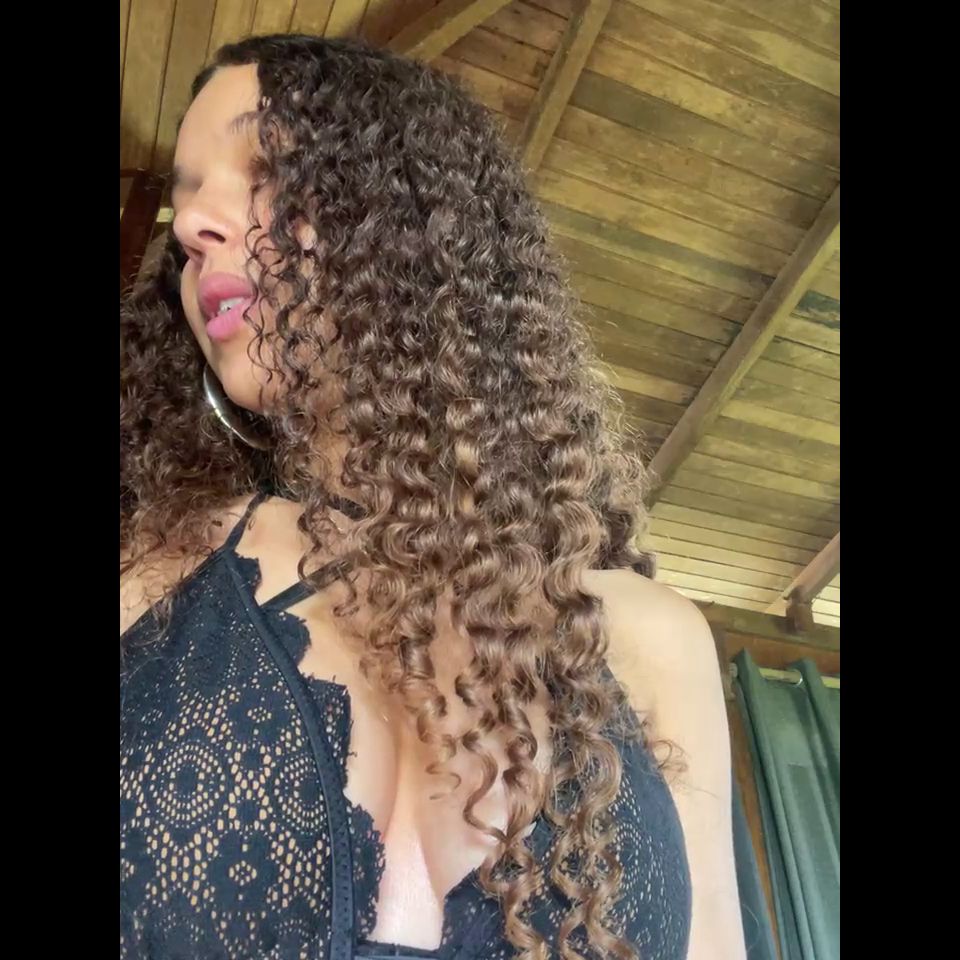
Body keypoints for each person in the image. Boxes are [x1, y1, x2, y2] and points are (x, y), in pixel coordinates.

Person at [120, 35, 745, 960]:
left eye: (269, 168)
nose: (192, 225)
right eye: (187, 194)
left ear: (413, 224)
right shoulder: (151, 571)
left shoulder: (653, 640)